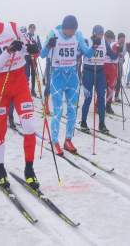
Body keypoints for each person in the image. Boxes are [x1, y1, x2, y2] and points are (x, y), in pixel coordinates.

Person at [0, 6, 40, 189]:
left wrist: (32, 49)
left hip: (19, 83)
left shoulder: (12, 28)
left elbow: (30, 50)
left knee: (29, 125)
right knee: (0, 128)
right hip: (0, 87)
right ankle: (1, 169)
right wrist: (8, 51)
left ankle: (29, 169)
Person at [41, 16, 94, 155]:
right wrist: (48, 45)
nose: (72, 33)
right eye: (70, 31)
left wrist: (94, 45)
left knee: (72, 110)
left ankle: (68, 140)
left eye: (74, 31)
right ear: (65, 28)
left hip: (72, 76)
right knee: (57, 111)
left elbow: (88, 53)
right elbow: (42, 54)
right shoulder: (54, 33)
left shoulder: (78, 34)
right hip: (57, 76)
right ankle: (54, 141)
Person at [80, 25, 108, 134]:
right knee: (88, 98)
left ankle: (102, 123)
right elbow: (84, 53)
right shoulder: (87, 41)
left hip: (100, 73)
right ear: (94, 33)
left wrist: (118, 52)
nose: (100, 36)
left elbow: (111, 54)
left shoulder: (104, 42)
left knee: (101, 97)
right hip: (88, 72)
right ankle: (83, 122)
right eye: (98, 34)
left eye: (102, 34)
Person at [104, 30, 121, 114]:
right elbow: (114, 56)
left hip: (107, 66)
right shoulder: (114, 44)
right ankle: (106, 106)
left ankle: (106, 105)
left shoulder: (107, 43)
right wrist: (118, 52)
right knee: (109, 87)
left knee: (107, 87)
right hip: (110, 66)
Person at [25, 24, 42, 97]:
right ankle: (26, 90)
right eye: (30, 28)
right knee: (27, 73)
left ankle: (33, 90)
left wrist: (37, 53)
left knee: (33, 74)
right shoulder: (25, 36)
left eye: (33, 28)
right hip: (27, 57)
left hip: (34, 57)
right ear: (28, 29)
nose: (32, 29)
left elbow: (40, 46)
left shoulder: (36, 36)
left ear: (34, 29)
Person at [114, 33, 126, 102]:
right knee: (113, 81)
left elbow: (124, 54)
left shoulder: (125, 45)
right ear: (118, 39)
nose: (123, 41)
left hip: (120, 64)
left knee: (119, 80)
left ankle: (116, 96)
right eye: (121, 39)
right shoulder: (115, 45)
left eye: (124, 39)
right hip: (114, 64)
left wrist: (123, 57)